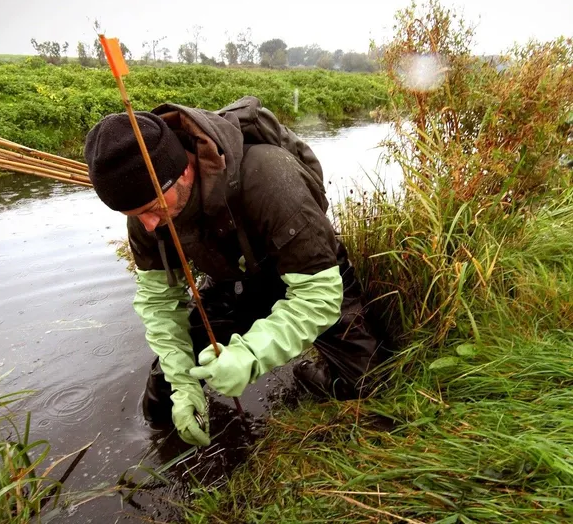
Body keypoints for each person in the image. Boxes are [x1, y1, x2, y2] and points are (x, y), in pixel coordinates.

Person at [83, 96, 386, 447]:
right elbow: (160, 303)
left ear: (183, 170)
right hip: (234, 282)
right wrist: (183, 384)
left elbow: (319, 295)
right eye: (136, 215)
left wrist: (251, 355)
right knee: (161, 400)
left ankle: (309, 372)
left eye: (152, 209)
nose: (149, 226)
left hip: (308, 273)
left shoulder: (269, 175)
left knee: (367, 384)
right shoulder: (147, 217)